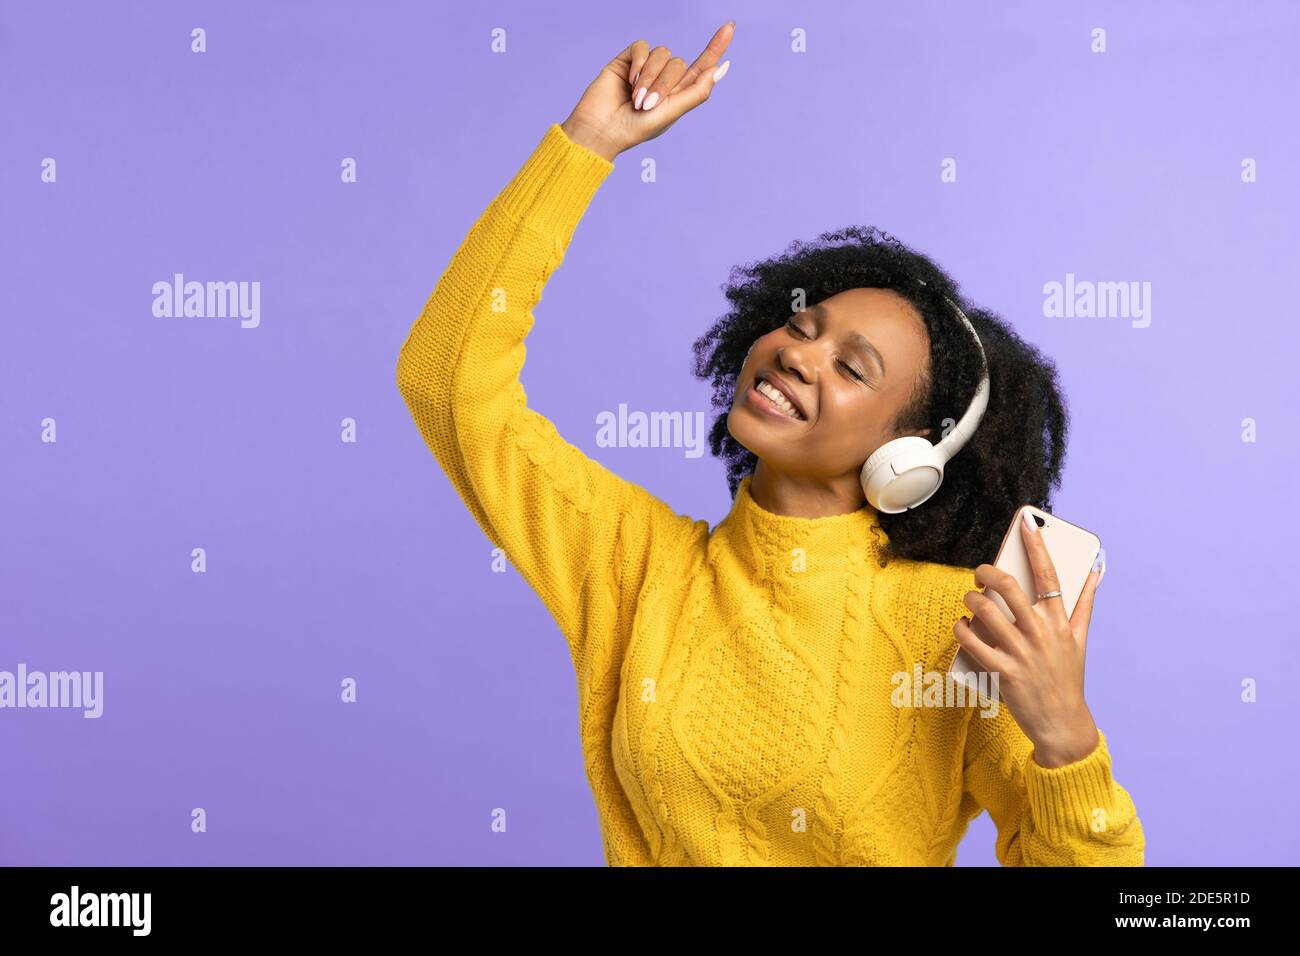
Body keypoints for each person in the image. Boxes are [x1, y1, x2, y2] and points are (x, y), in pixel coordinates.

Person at [396, 22, 1144, 866]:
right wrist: (587, 147)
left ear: (916, 452)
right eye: (798, 325)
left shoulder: (958, 626)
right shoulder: (639, 569)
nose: (797, 352)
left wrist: (1064, 737)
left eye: (852, 367)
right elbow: (448, 384)